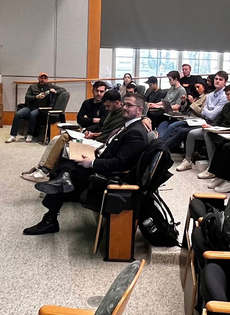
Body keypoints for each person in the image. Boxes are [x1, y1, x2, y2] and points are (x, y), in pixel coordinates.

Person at [23, 92, 149, 235]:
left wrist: (92, 163)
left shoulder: (136, 133)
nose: (124, 107)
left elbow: (120, 164)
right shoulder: (128, 126)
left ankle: (50, 218)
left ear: (139, 110)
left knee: (68, 169)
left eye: (129, 105)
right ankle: (59, 187)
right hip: (102, 160)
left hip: (110, 176)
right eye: (124, 104)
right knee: (67, 157)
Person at [22, 89, 125, 183]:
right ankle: (41, 168)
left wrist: (93, 133)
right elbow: (100, 128)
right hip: (94, 136)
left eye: (108, 106)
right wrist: (93, 133)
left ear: (117, 103)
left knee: (64, 138)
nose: (106, 108)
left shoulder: (122, 116)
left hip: (100, 143)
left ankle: (45, 171)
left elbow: (109, 134)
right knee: (56, 139)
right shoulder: (111, 111)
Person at [173, 71, 230, 171]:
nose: (217, 81)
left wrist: (207, 111)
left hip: (216, 125)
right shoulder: (210, 95)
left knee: (204, 134)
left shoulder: (225, 96)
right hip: (204, 122)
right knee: (191, 134)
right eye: (216, 79)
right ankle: (188, 161)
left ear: (225, 82)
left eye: (220, 80)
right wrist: (208, 111)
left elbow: (212, 115)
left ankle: (212, 167)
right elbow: (204, 113)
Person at [196, 83, 230, 179]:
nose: (226, 97)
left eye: (228, 94)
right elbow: (219, 120)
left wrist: (219, 130)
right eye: (226, 95)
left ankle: (214, 170)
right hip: (221, 131)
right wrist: (211, 126)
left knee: (223, 144)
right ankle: (213, 169)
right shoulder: (227, 106)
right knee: (208, 134)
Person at [7, 72, 63, 143]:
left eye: (45, 78)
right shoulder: (32, 87)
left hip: (40, 109)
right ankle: (13, 135)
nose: (43, 80)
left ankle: (30, 134)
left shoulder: (49, 86)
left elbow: (63, 90)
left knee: (32, 115)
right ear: (38, 78)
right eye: (41, 78)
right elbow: (27, 97)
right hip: (29, 107)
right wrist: (36, 97)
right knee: (18, 114)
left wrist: (55, 91)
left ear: (47, 80)